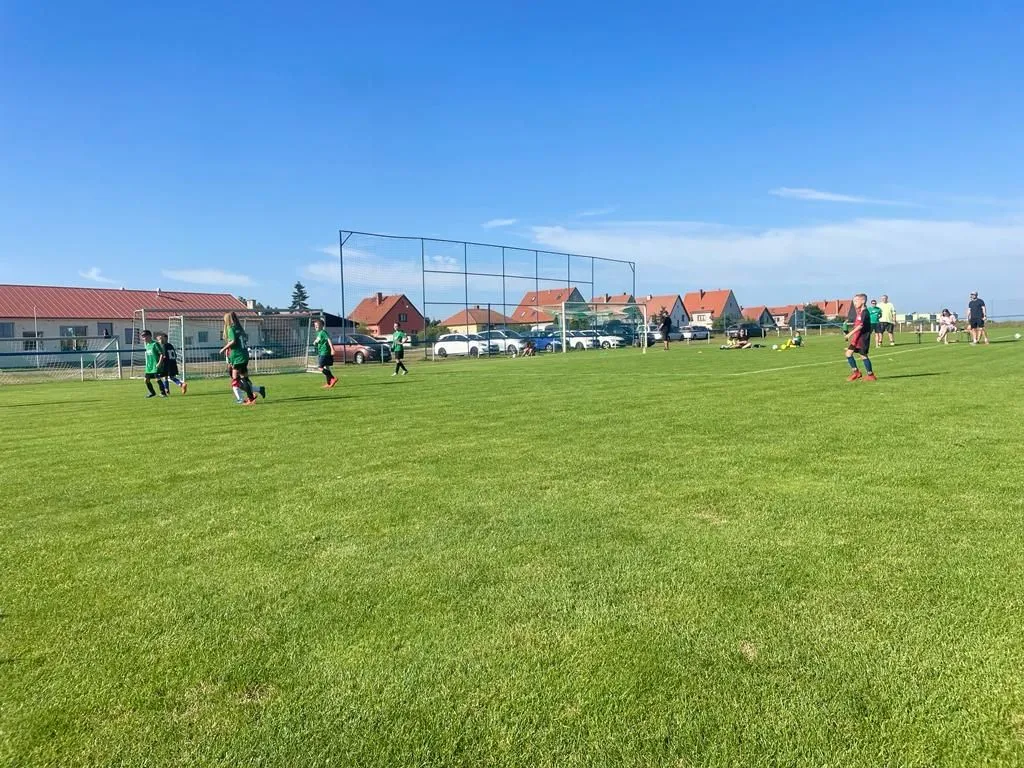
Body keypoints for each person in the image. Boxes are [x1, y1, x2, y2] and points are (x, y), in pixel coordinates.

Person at [219, 312, 266, 405]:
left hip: (238, 357)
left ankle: (249, 398)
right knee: (245, 378)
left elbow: (233, 341)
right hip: (244, 355)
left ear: (227, 320)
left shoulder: (231, 329)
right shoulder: (239, 328)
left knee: (236, 380)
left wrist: (223, 349)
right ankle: (257, 391)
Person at [844, 293, 877, 381]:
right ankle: (856, 373)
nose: (854, 303)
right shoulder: (859, 312)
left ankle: (871, 375)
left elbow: (861, 326)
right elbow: (857, 325)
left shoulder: (865, 312)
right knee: (848, 354)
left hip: (862, 339)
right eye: (854, 301)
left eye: (856, 301)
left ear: (863, 301)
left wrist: (849, 334)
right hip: (856, 338)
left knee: (863, 356)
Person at [312, 319, 338, 388]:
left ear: (322, 326)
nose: (315, 327)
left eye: (317, 325)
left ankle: (333, 378)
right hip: (321, 352)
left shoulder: (323, 332)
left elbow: (329, 340)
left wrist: (332, 349)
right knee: (326, 367)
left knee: (320, 368)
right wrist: (315, 342)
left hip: (325, 352)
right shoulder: (319, 333)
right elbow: (319, 340)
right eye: (315, 326)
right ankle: (329, 383)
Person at [141, 330, 165, 398]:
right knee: (146, 380)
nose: (143, 338)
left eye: (144, 336)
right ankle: (152, 393)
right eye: (142, 337)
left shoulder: (155, 344)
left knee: (157, 379)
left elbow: (162, 354)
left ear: (149, 336)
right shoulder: (147, 345)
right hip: (149, 367)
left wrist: (159, 363)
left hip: (155, 366)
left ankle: (163, 393)